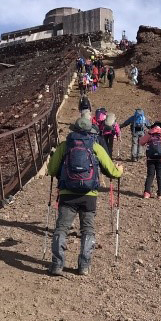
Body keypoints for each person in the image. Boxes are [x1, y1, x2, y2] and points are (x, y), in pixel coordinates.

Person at [47, 116, 123, 276]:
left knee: (61, 228)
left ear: (74, 130)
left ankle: (57, 265)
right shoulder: (95, 147)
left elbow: (52, 170)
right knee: (88, 229)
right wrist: (120, 170)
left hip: (67, 193)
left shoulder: (64, 146)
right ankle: (84, 266)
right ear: (90, 131)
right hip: (89, 195)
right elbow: (112, 172)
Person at [139, 121, 161, 199]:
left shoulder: (150, 133)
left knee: (150, 175)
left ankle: (146, 193)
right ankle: (160, 194)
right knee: (160, 176)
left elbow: (141, 142)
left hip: (150, 157)